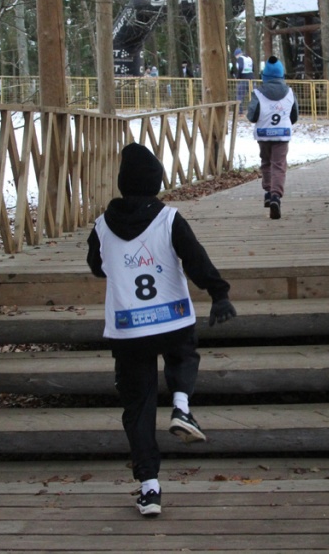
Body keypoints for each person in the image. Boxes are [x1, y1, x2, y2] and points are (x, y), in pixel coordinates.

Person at [86, 143, 237, 517]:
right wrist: (218, 294)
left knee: (138, 406)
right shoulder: (169, 219)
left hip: (127, 328)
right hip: (172, 318)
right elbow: (195, 258)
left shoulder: (102, 226)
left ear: (123, 183)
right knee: (184, 354)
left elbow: (97, 267)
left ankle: (149, 487)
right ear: (156, 183)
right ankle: (182, 407)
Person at [246, 56, 298, 219]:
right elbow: (294, 116)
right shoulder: (290, 93)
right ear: (282, 75)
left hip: (263, 134)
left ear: (265, 76)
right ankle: (276, 196)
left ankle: (268, 191)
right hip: (282, 134)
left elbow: (252, 116)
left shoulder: (258, 93)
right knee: (279, 165)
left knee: (266, 162)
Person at [233, 47, 254, 113]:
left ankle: (240, 111)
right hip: (251, 78)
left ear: (237, 55)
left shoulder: (240, 58)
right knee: (253, 95)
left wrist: (238, 77)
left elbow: (241, 67)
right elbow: (253, 68)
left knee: (240, 95)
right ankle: (254, 110)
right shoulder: (249, 58)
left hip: (243, 78)